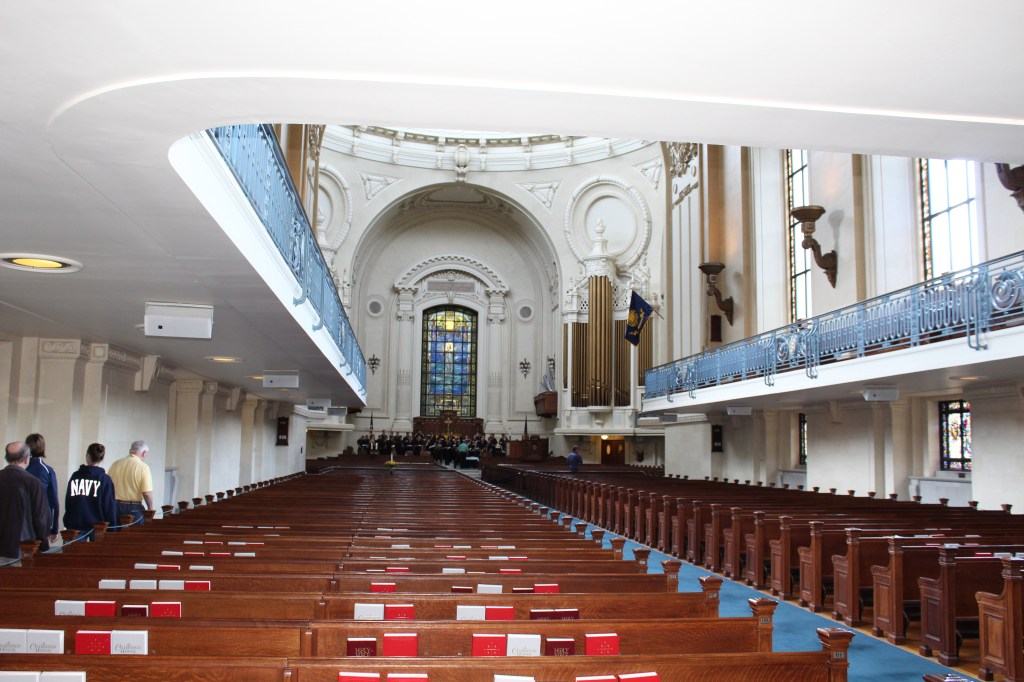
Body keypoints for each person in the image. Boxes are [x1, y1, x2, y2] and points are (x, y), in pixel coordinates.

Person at [0, 441, 49, 563]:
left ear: (6, 458)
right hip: (22, 548)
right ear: (27, 459)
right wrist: (43, 544)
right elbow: (40, 517)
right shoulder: (32, 482)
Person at [64, 443, 117, 538]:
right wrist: (112, 528)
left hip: (76, 524)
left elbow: (69, 501)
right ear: (101, 459)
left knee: (75, 552)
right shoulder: (105, 479)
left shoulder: (76, 476)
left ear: (87, 456)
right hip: (98, 527)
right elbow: (109, 506)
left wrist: (67, 521)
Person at [108, 440, 154, 526]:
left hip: (114, 506)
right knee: (134, 537)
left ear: (130, 450)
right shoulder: (143, 467)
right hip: (133, 508)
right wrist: (150, 508)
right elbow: (147, 493)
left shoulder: (115, 464)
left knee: (114, 537)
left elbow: (108, 486)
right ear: (144, 453)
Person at [25, 433, 59, 549]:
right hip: (42, 518)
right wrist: (54, 528)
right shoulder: (47, 470)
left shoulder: (23, 469)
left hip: (24, 518)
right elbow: (54, 501)